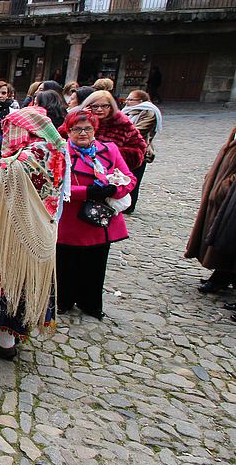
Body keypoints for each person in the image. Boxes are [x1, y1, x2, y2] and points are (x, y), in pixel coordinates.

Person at [0, 107, 67, 360]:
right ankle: (4, 335)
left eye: (11, 129)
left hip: (19, 234)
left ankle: (5, 342)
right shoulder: (52, 150)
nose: (7, 135)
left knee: (8, 283)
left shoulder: (34, 154)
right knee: (11, 282)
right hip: (30, 228)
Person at [56, 109, 136, 319]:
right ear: (68, 130)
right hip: (71, 219)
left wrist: (115, 189)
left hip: (101, 219)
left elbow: (129, 177)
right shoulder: (60, 152)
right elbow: (55, 186)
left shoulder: (109, 149)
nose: (83, 133)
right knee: (66, 263)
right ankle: (62, 300)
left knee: (96, 264)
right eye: (77, 129)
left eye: (87, 128)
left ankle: (89, 303)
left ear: (95, 129)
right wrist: (86, 192)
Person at [185, 124, 236, 297]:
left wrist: (225, 187)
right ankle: (222, 273)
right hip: (220, 197)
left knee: (227, 238)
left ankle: (222, 276)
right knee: (216, 234)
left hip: (228, 198)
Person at [79, 90, 147, 172]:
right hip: (80, 169)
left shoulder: (122, 123)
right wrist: (81, 118)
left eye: (104, 106)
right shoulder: (80, 121)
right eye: (95, 106)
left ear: (111, 107)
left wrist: (110, 154)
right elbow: (63, 138)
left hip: (111, 172)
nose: (100, 110)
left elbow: (139, 149)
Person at [121, 90, 162, 213]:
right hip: (124, 149)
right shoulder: (126, 111)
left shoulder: (149, 112)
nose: (127, 102)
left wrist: (120, 132)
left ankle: (129, 206)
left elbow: (138, 130)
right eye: (127, 99)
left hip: (139, 150)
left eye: (130, 100)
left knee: (134, 177)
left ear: (140, 101)